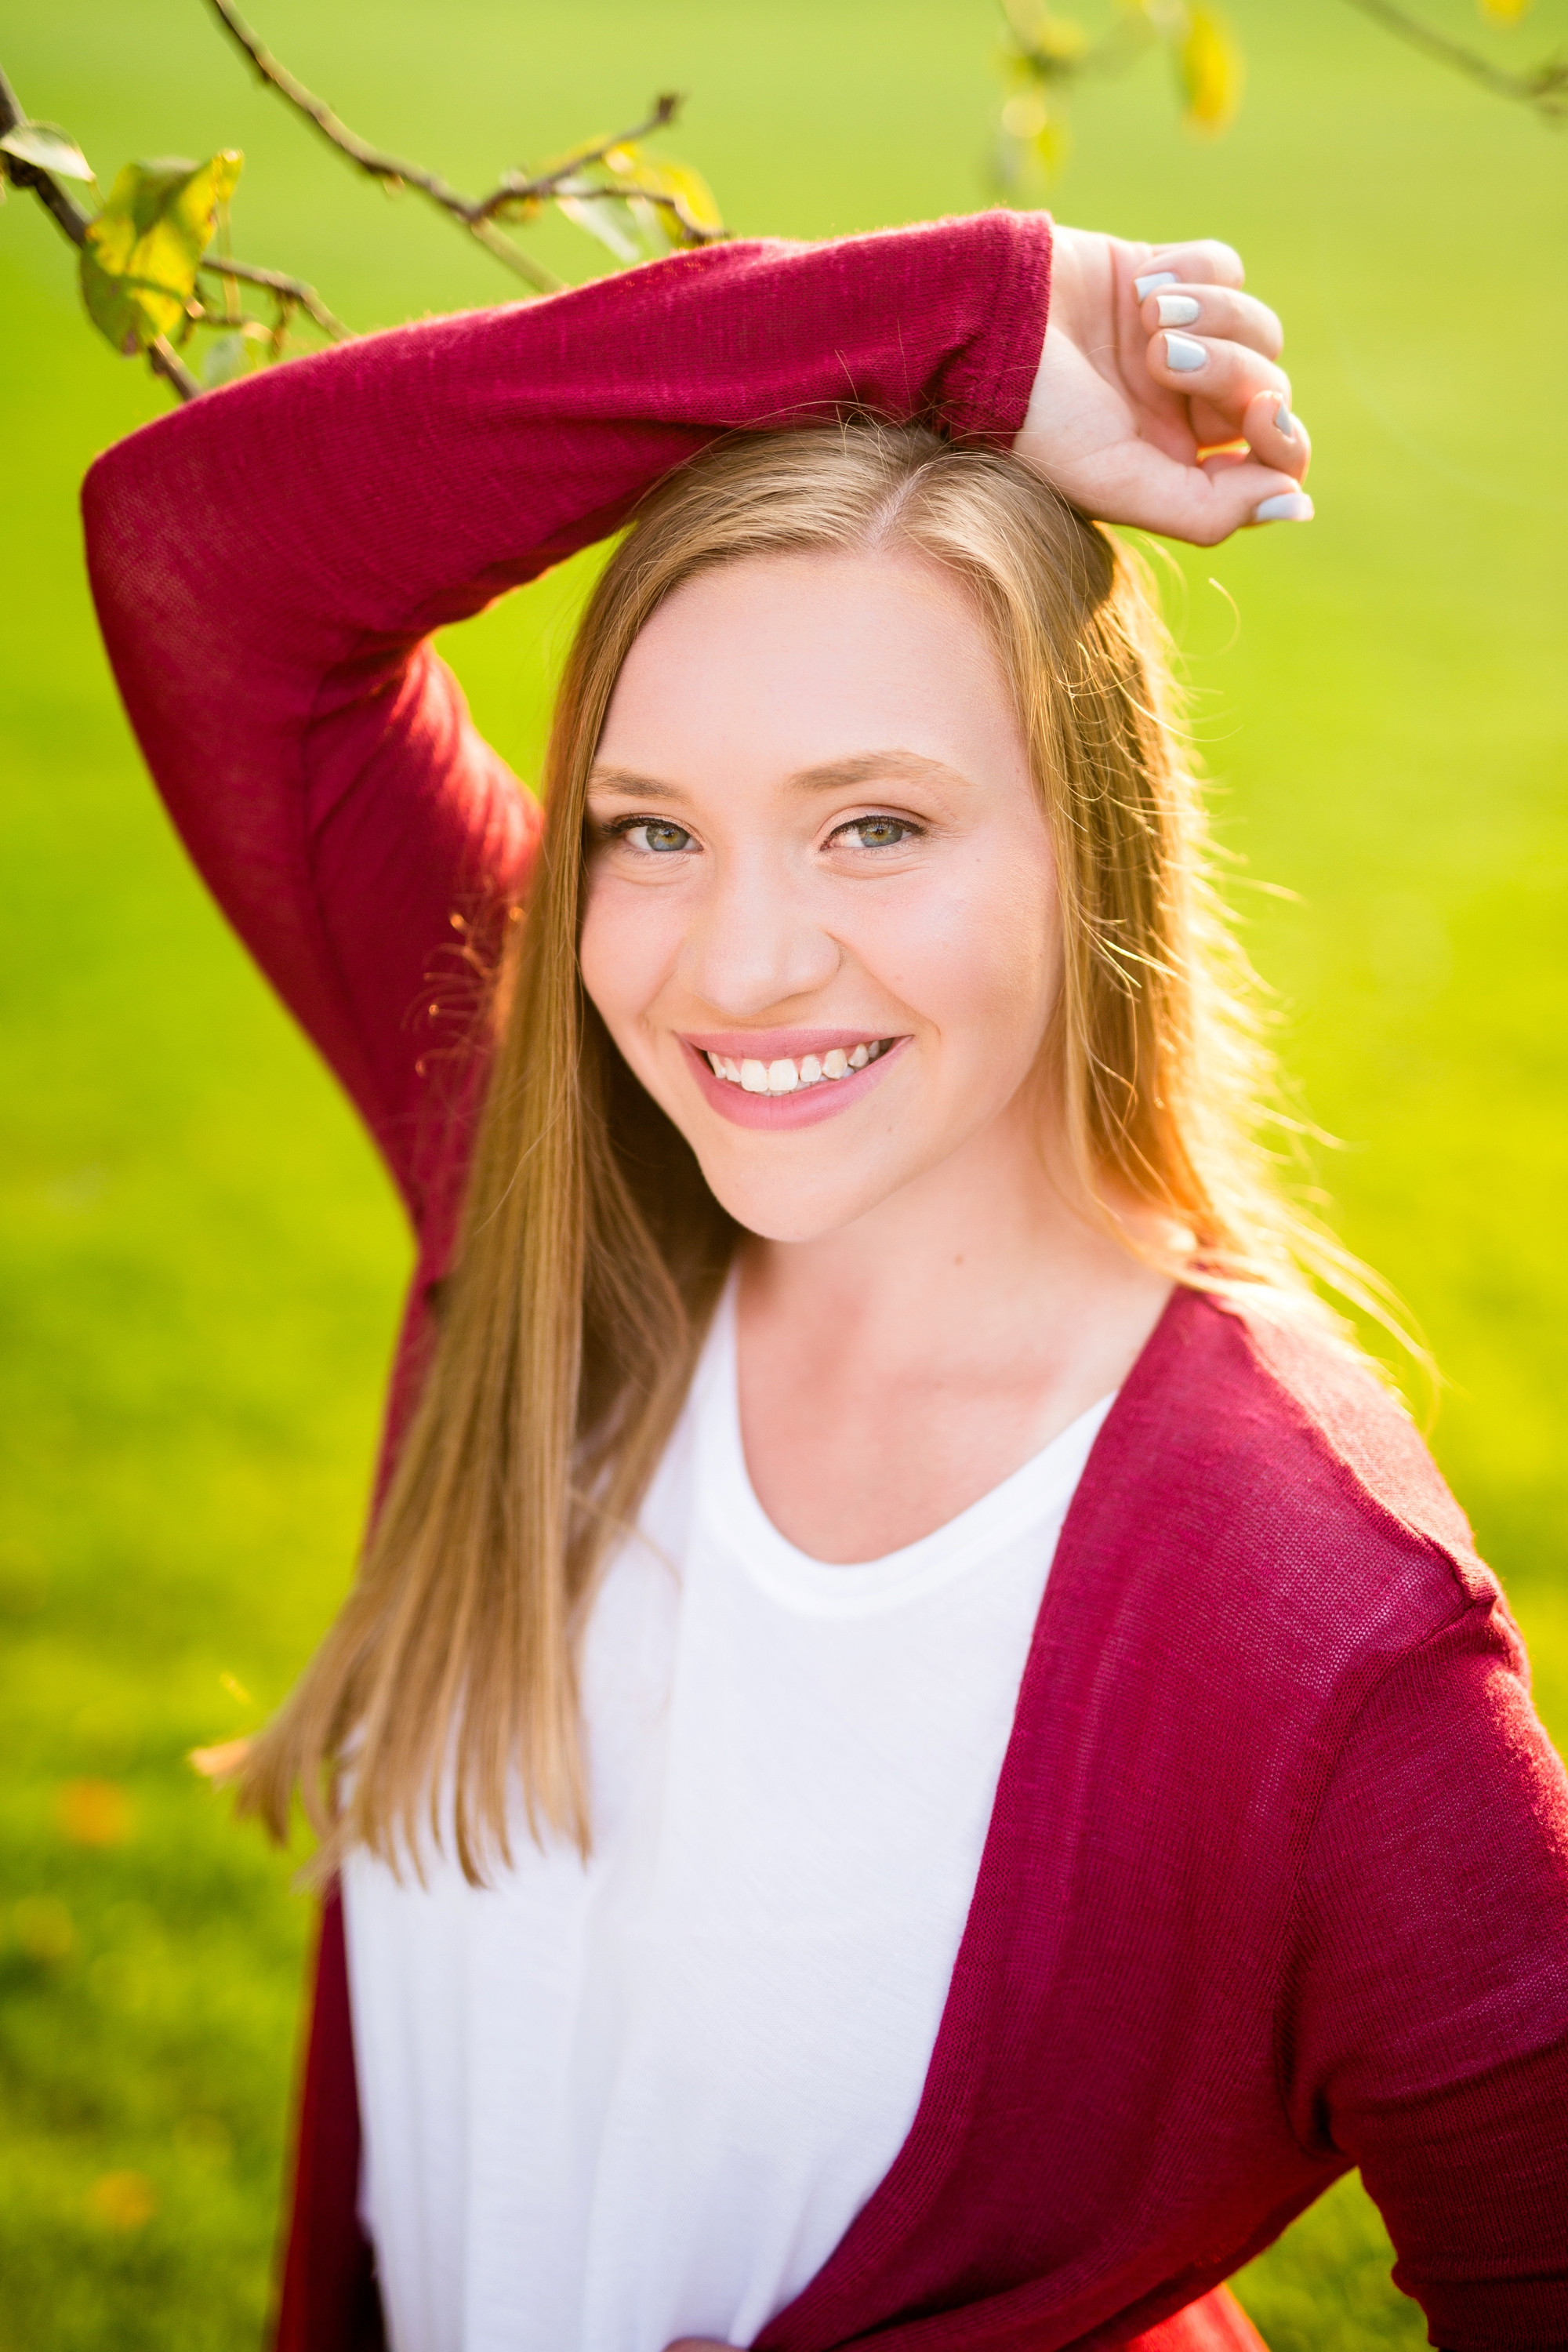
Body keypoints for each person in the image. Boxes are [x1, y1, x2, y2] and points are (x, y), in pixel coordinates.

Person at [82, 209, 1568, 2352]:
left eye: (873, 824)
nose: (733, 966)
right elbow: (202, 546)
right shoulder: (547, 1188)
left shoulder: (1323, 1636)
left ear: (1095, 845)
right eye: (648, 828)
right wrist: (957, 319)